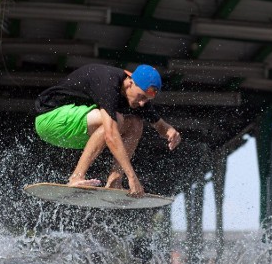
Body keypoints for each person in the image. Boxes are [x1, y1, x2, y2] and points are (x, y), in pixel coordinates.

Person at [34, 63, 181, 196]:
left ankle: (114, 181)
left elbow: (160, 125)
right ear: (130, 83)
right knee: (114, 121)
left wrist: (170, 131)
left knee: (136, 123)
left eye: (147, 100)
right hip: (48, 121)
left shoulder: (137, 97)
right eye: (141, 97)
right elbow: (111, 136)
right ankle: (76, 177)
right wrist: (132, 177)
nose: (142, 103)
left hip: (70, 134)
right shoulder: (108, 82)